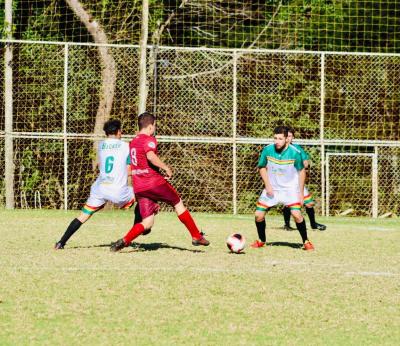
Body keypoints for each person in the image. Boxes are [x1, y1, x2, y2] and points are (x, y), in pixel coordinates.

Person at [110, 112, 209, 252]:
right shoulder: (149, 139)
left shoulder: (133, 142)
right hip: (153, 183)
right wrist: (166, 168)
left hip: (139, 186)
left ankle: (124, 241)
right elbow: (150, 156)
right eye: (154, 126)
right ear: (150, 126)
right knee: (178, 203)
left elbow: (140, 163)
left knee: (148, 222)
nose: (154, 129)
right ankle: (196, 236)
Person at [54, 119, 135, 249]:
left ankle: (61, 242)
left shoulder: (101, 145)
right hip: (117, 190)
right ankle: (139, 231)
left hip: (100, 188)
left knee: (83, 216)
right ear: (119, 132)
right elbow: (129, 170)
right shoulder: (127, 146)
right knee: (143, 195)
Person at [251, 125, 314, 251]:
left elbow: (302, 172)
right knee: (258, 215)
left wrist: (301, 193)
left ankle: (306, 241)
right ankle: (261, 240)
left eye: (280, 139)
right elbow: (262, 167)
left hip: (290, 189)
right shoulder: (267, 150)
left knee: (296, 214)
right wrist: (268, 185)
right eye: (275, 138)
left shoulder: (295, 153)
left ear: (286, 139)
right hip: (273, 188)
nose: (276, 141)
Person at [282, 126, 326, 231]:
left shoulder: (297, 149)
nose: (288, 138)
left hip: (298, 181)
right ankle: (287, 225)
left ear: (293, 138)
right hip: (286, 182)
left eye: (290, 136)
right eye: (286, 136)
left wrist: (300, 164)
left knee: (309, 203)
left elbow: (306, 163)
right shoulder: (279, 150)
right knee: (288, 204)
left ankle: (313, 224)